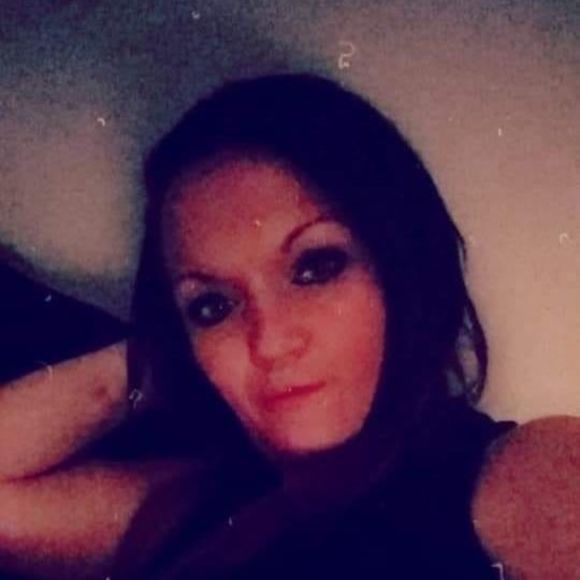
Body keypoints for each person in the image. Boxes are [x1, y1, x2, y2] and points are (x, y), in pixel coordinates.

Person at [0, 74, 577, 580]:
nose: (271, 341)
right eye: (211, 306)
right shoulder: (189, 509)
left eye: (316, 267)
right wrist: (151, 364)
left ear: (399, 266)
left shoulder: (516, 480)